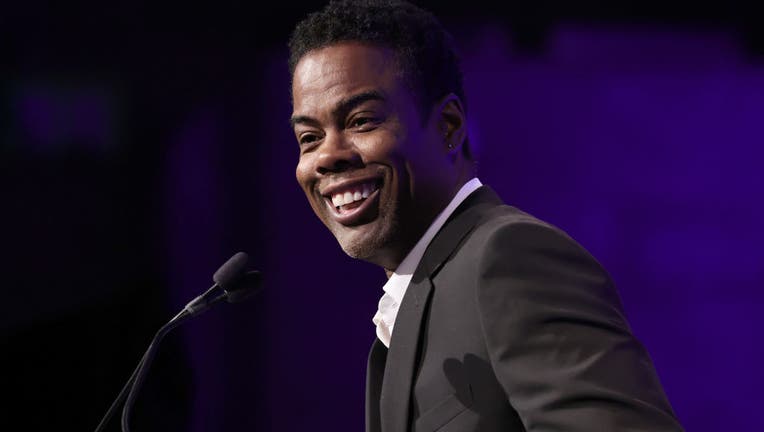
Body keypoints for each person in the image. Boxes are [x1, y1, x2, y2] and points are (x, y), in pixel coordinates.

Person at [288, 1, 683, 431]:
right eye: (309, 138)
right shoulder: (418, 294)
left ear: (449, 126)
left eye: (362, 121)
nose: (327, 157)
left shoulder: (509, 257)